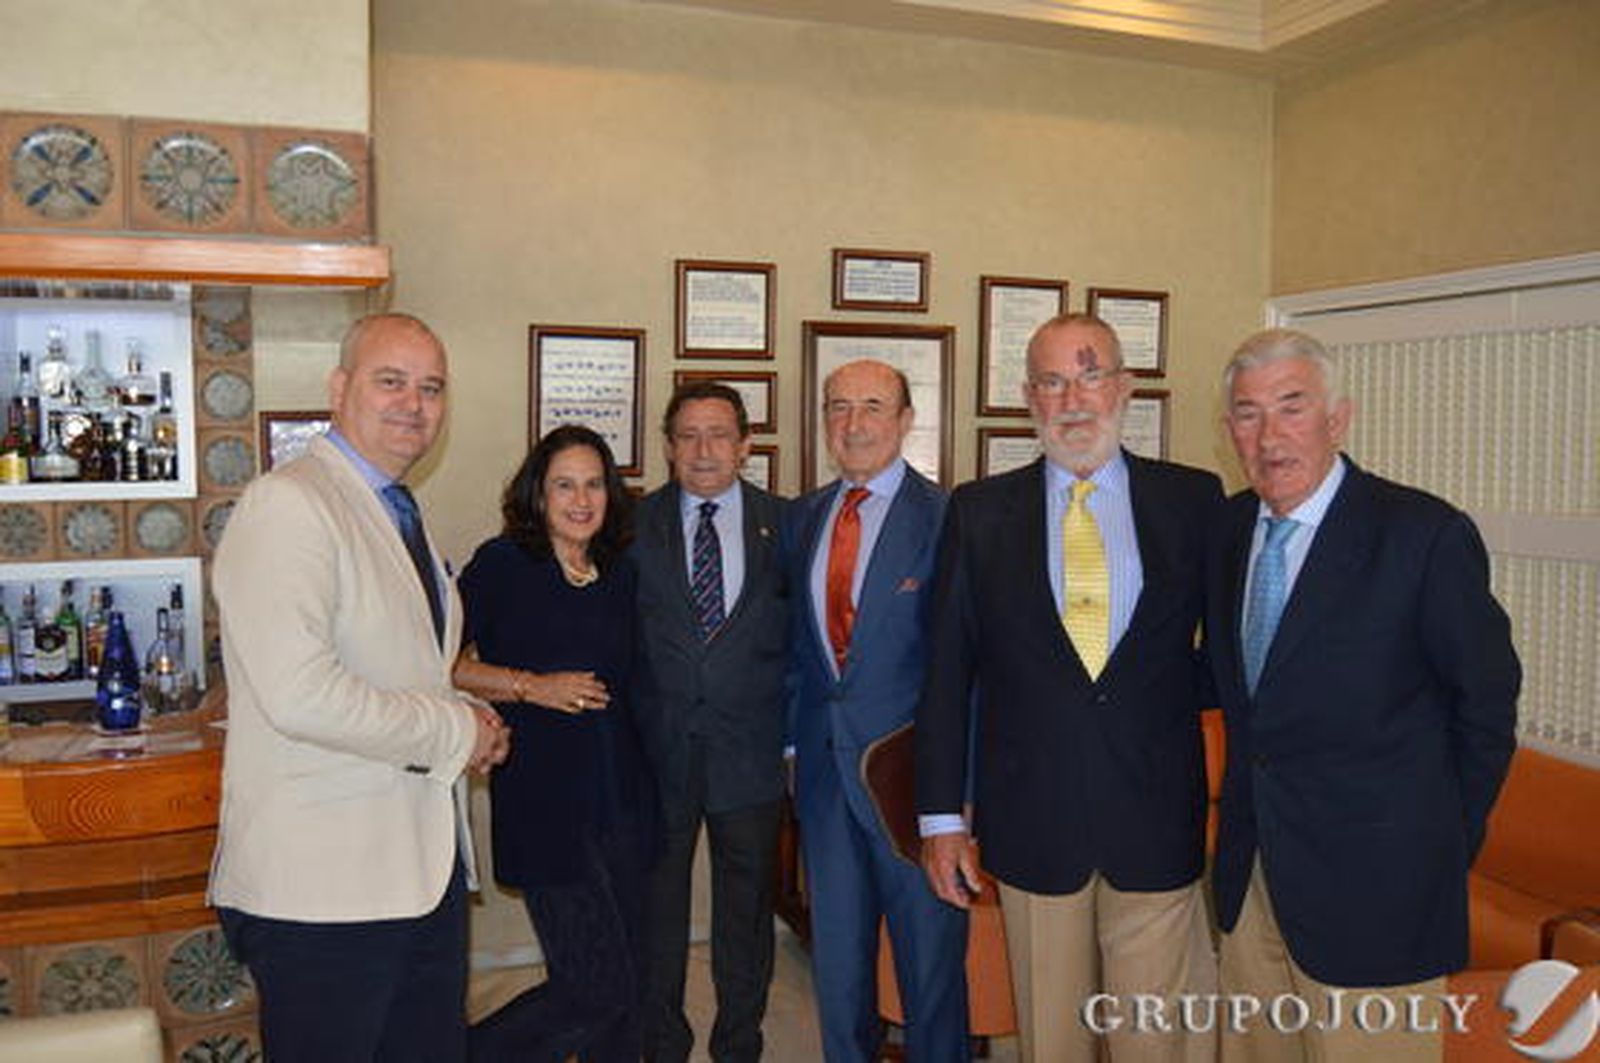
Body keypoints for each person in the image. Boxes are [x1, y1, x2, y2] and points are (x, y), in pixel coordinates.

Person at [1206, 328, 1519, 1062]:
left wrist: (1435, 846)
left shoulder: (1422, 534)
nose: (1269, 434)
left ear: (1337, 418)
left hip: (1382, 891)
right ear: (1229, 432)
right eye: (1248, 413)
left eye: (1292, 406)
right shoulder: (1226, 530)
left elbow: (1486, 704)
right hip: (1253, 880)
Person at [917, 313, 1222, 1063]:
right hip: (1033, 820)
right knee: (1052, 1039)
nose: (1074, 398)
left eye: (1091, 375)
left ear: (1125, 388)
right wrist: (938, 820)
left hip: (1154, 818)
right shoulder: (980, 511)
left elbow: (1230, 654)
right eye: (1053, 381)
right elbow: (948, 671)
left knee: (1156, 1041)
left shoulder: (1193, 501)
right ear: (1029, 398)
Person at [210, 312, 509, 1063]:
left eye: (432, 387)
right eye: (391, 381)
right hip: (326, 892)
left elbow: (402, 670)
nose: (414, 403)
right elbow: (300, 690)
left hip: (416, 875)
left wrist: (465, 710)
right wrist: (455, 731)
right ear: (338, 389)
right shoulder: (289, 504)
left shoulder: (394, 508)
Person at [456, 425, 658, 1063]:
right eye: (564, 485)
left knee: (631, 992)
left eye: (594, 484)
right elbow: (444, 665)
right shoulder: (504, 564)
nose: (581, 499)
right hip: (545, 806)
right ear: (538, 496)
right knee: (593, 989)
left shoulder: (620, 572)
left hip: (624, 799)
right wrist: (530, 686)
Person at [786, 359, 970, 1062]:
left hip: (914, 788)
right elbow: (800, 654)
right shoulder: (803, 516)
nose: (853, 423)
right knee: (837, 974)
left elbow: (968, 671)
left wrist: (960, 798)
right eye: (838, 406)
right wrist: (793, 752)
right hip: (826, 787)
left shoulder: (950, 517)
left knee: (930, 975)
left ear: (904, 419)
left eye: (871, 406)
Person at [633, 382, 790, 1063]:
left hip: (751, 754)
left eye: (719, 433)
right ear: (668, 447)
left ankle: (738, 1043)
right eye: (688, 435)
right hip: (655, 752)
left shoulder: (788, 523)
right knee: (656, 912)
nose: (703, 450)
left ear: (746, 444)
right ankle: (662, 1043)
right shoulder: (627, 524)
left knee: (746, 914)